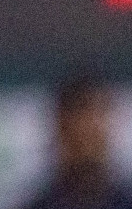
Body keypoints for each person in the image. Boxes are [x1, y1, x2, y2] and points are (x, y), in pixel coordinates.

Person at [23, 74, 132, 209]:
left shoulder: (125, 199)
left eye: (94, 136)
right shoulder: (40, 203)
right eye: (80, 139)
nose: (88, 146)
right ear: (61, 129)